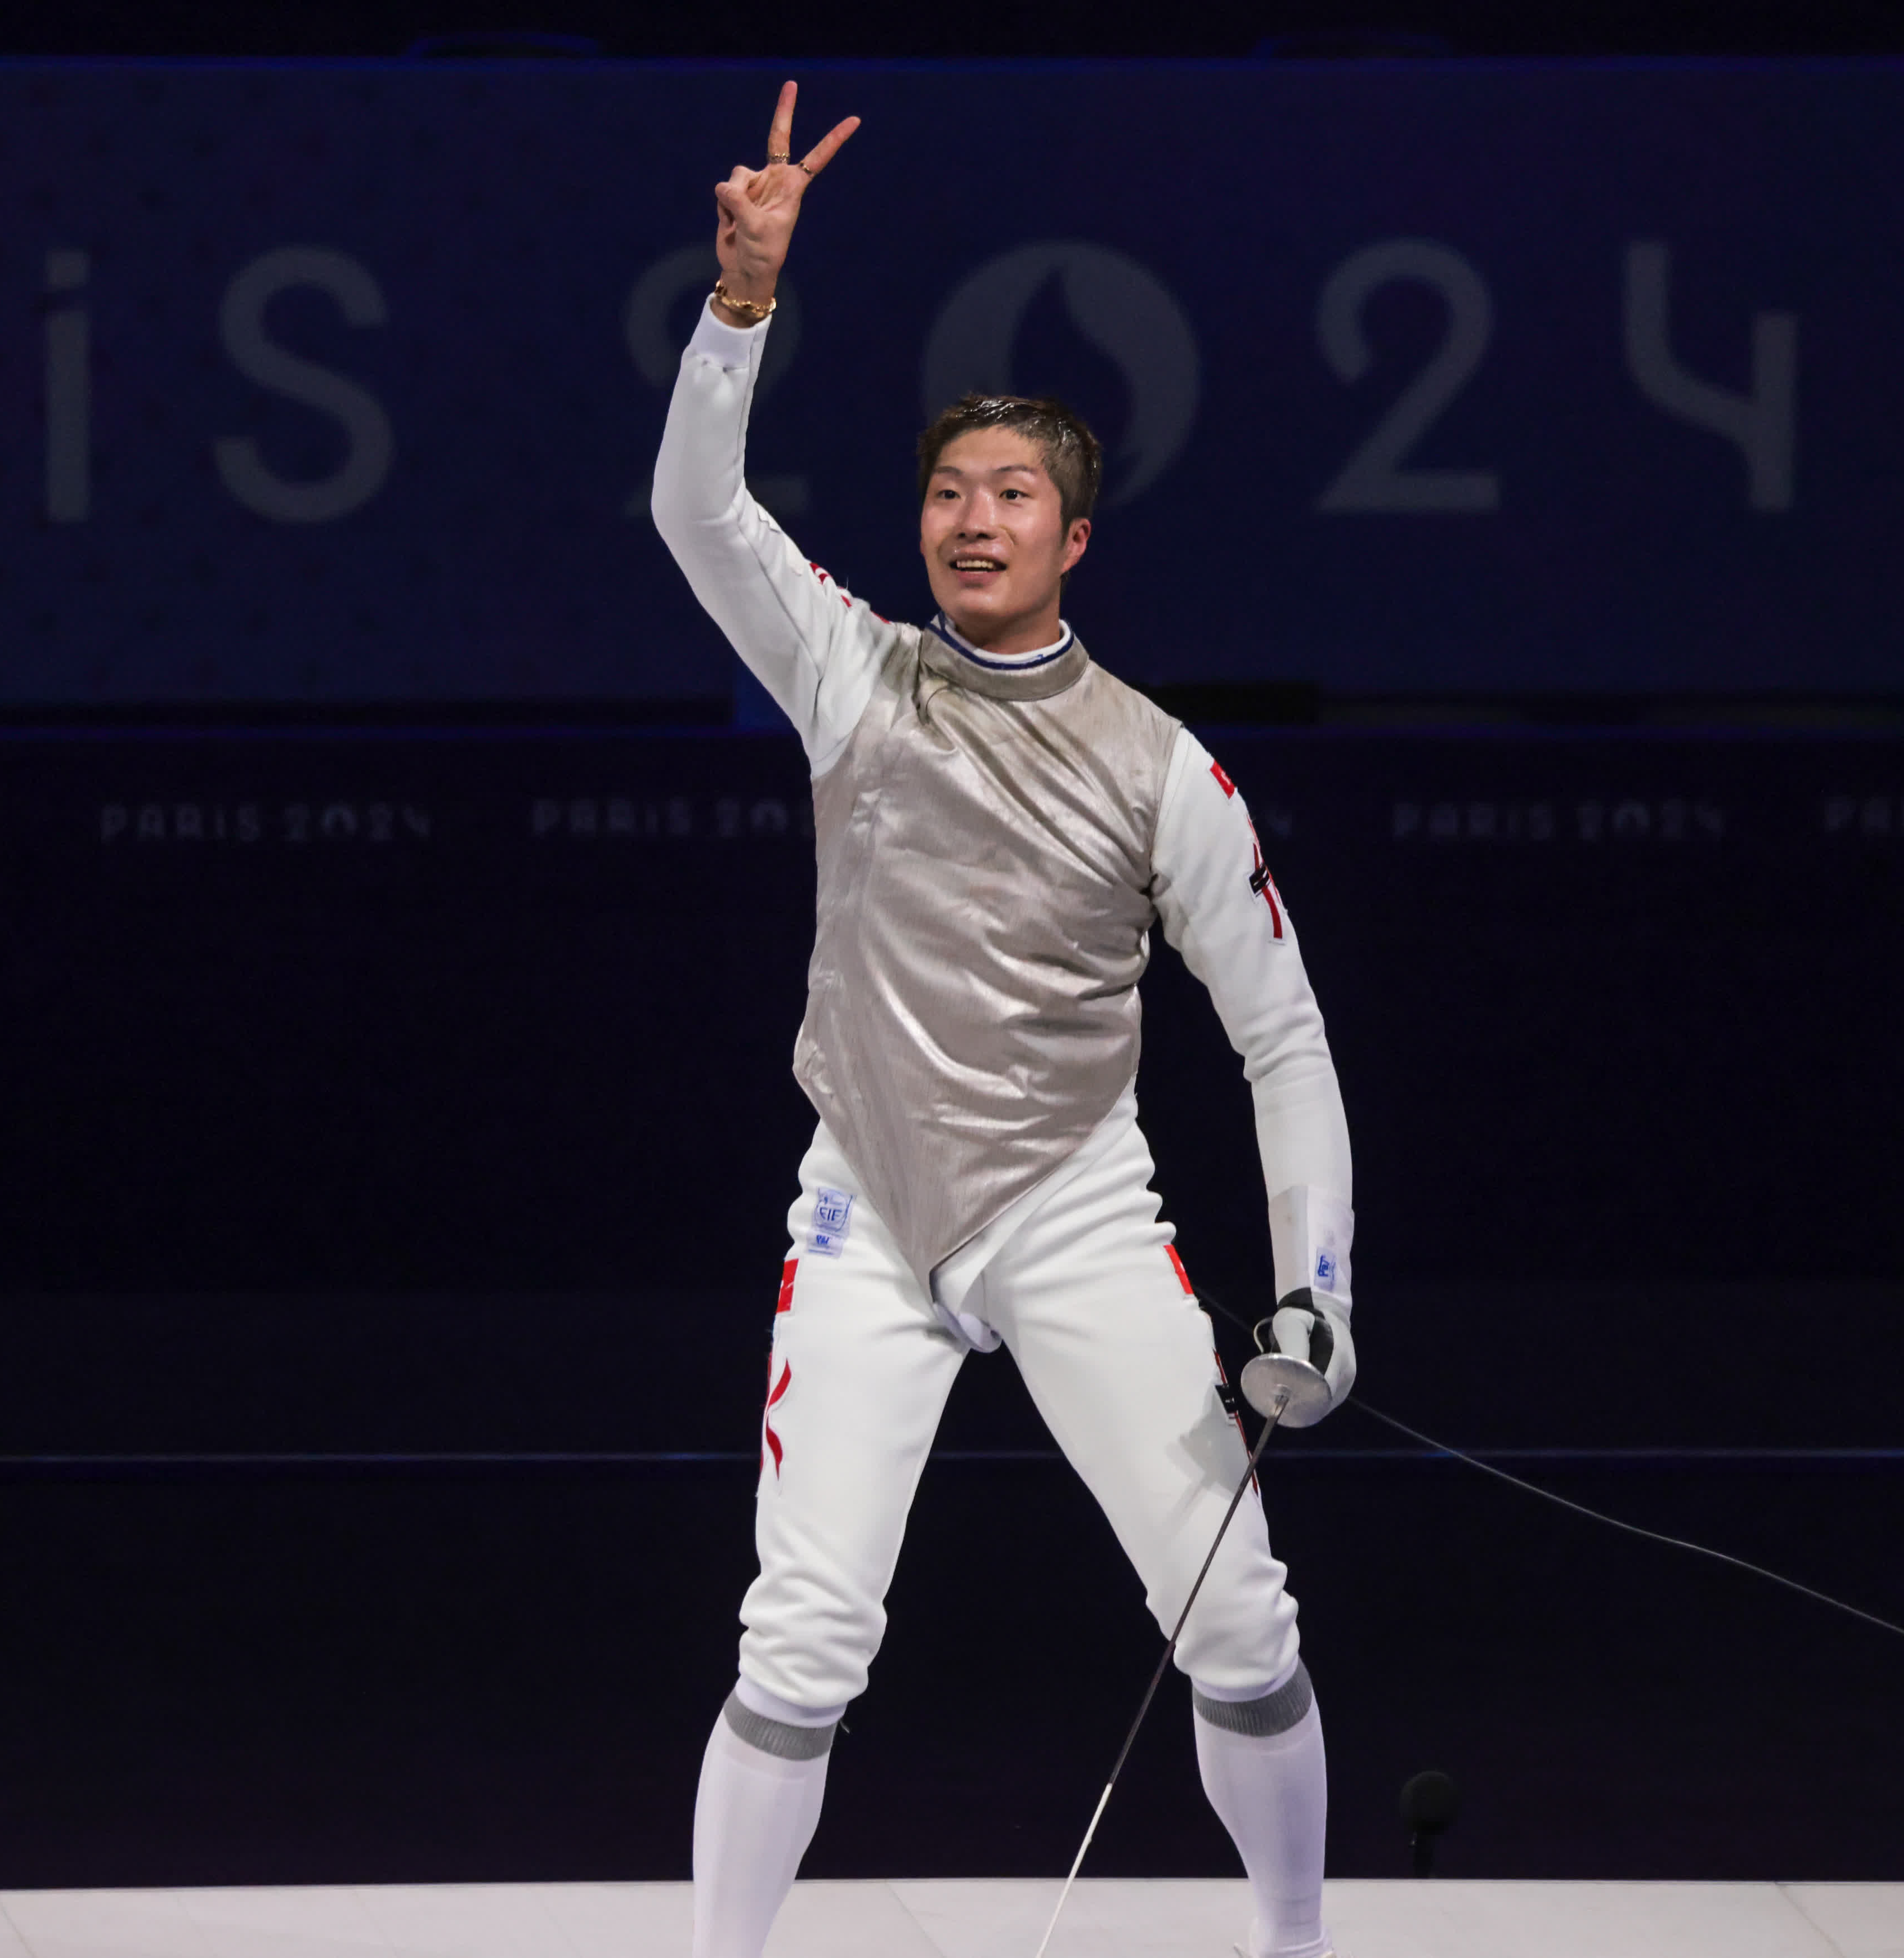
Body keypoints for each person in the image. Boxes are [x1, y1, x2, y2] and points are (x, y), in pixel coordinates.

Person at [650, 83, 1358, 1958]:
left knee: (1237, 1617)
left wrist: (1319, 1288)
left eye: (1012, 497)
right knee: (800, 1635)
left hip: (1073, 1205)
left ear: (1074, 537)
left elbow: (1282, 1037)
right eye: (950, 495)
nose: (973, 522)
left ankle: (1297, 1941)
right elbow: (693, 510)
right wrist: (744, 301)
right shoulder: (853, 674)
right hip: (867, 1205)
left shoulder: (1159, 769)